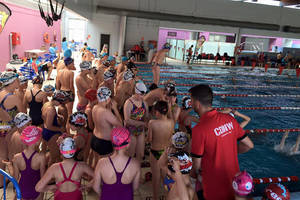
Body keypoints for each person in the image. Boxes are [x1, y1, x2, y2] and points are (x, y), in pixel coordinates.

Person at [189, 84, 254, 200]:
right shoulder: (230, 120)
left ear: (197, 103)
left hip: (214, 189)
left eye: (192, 101)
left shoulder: (199, 130)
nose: (191, 104)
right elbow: (249, 145)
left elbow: (196, 165)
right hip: (235, 185)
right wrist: (231, 150)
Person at [93, 127, 141, 200]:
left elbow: (95, 187)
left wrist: (104, 195)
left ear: (112, 143)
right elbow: (135, 187)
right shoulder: (135, 164)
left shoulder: (102, 163)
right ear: (128, 144)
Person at [6, 126, 46, 200]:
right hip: (36, 190)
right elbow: (43, 179)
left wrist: (10, 167)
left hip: (22, 190)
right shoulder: (41, 157)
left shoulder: (17, 158)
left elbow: (15, 178)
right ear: (37, 141)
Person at [0, 72, 24, 187]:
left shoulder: (0, 93)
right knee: (12, 156)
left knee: (1, 155)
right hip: (10, 129)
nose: (19, 82)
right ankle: (16, 183)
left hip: (1, 127)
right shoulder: (14, 98)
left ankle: (0, 182)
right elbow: (23, 115)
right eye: (17, 80)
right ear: (11, 82)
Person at [147, 100, 174, 200]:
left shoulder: (152, 123)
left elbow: (149, 139)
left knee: (156, 177)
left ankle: (155, 198)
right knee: (166, 177)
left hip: (155, 152)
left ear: (157, 112)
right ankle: (170, 196)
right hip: (166, 153)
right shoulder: (171, 122)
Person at [91, 87, 122, 157]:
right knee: (106, 166)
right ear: (108, 98)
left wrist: (109, 108)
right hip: (104, 143)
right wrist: (115, 109)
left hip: (95, 138)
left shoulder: (95, 108)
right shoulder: (106, 112)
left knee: (97, 164)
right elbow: (120, 125)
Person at [124, 81, 148, 161]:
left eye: (144, 94)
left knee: (140, 154)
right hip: (130, 130)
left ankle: (137, 171)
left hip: (140, 130)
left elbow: (146, 116)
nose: (143, 96)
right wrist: (142, 123)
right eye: (141, 95)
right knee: (130, 155)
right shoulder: (129, 103)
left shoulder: (144, 102)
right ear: (136, 92)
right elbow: (127, 120)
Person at [41, 91, 66, 166]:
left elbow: (44, 116)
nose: (60, 104)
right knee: (53, 157)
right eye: (60, 102)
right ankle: (49, 174)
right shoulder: (51, 109)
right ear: (57, 100)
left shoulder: (46, 104)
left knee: (49, 154)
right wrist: (60, 129)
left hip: (45, 131)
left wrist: (56, 116)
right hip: (51, 134)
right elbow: (49, 126)